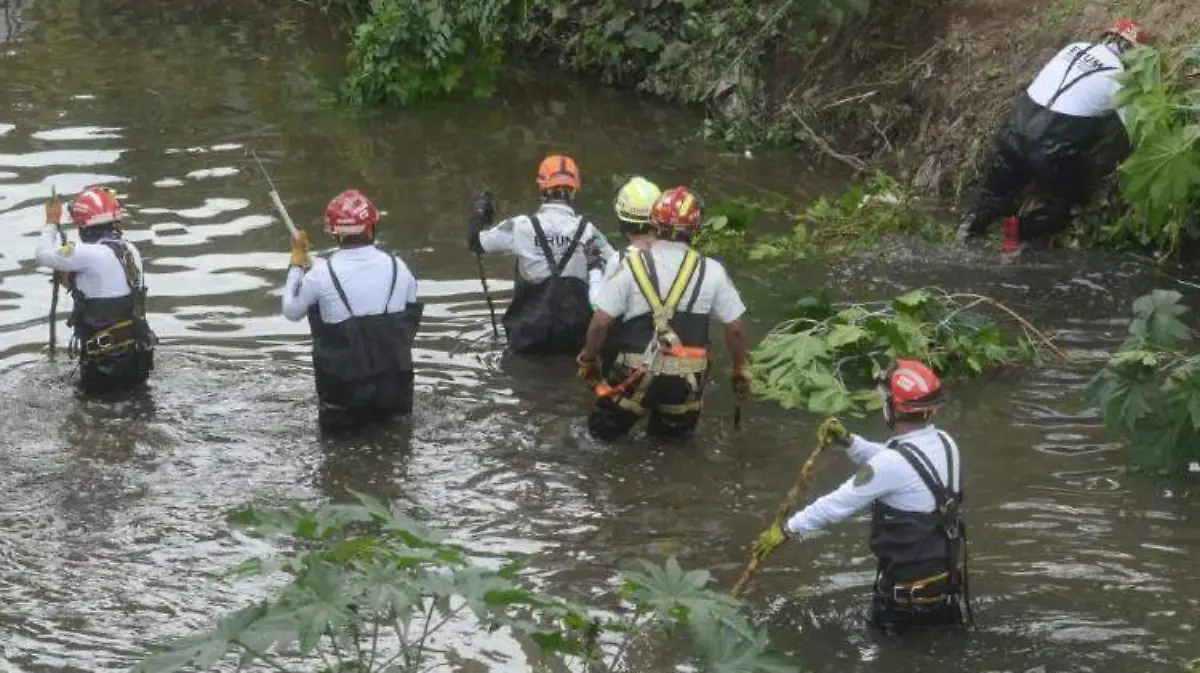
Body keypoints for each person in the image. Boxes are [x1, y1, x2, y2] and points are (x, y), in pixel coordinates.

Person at [754, 360, 970, 635]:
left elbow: (835, 505)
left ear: (892, 407)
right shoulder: (945, 442)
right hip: (943, 589)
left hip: (902, 604)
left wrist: (786, 530)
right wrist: (849, 442)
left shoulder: (891, 464)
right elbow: (902, 464)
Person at [956, 18, 1149, 251]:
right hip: (1052, 150)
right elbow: (1137, 127)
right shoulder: (1118, 76)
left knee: (993, 195)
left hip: (1014, 132)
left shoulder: (1072, 48)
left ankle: (965, 235)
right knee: (1065, 205)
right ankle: (1019, 232)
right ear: (1131, 52)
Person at [576, 186, 751, 441]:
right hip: (686, 381)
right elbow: (735, 328)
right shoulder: (712, 271)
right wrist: (740, 369)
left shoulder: (631, 265)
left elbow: (600, 323)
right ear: (695, 229)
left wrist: (588, 360)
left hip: (633, 375)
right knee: (672, 450)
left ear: (654, 224)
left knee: (598, 440)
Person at [282, 189, 422, 435]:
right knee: (398, 448)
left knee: (339, 460)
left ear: (335, 234)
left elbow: (291, 311)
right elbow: (408, 313)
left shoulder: (320, 275)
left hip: (342, 394)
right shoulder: (398, 267)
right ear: (371, 227)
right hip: (394, 387)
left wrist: (296, 263)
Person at [467, 154, 615, 355]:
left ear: (542, 188)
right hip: (574, 338)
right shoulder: (588, 231)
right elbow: (617, 266)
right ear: (574, 191)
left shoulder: (521, 227)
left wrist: (478, 211)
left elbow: (476, 243)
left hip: (528, 335)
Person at [36, 186, 155, 394]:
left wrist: (52, 223)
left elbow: (42, 255)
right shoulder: (130, 251)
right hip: (138, 356)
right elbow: (101, 290)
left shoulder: (86, 253)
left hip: (104, 365)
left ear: (84, 226)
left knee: (96, 417)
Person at [588, 175, 662, 308]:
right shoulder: (675, 252)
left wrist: (595, 269)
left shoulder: (619, 260)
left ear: (622, 221)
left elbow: (597, 304)